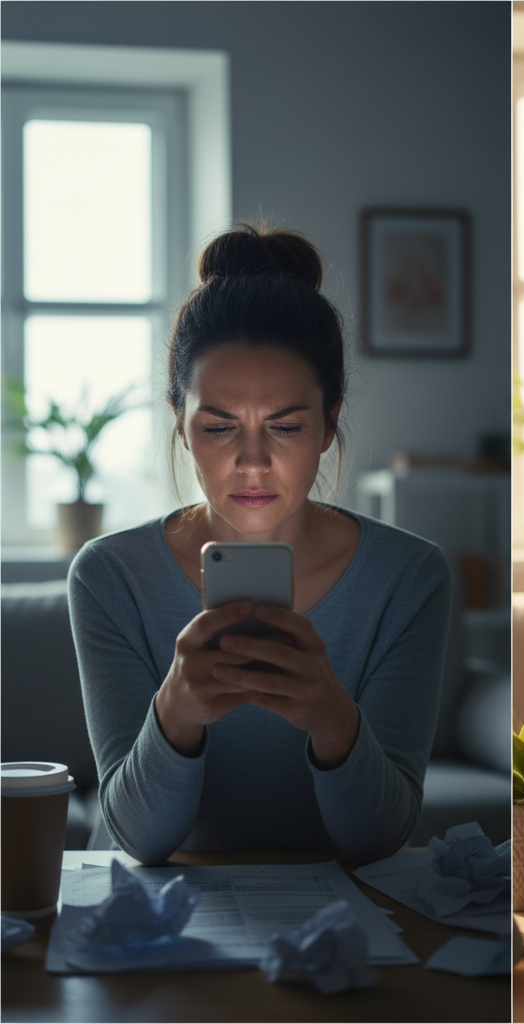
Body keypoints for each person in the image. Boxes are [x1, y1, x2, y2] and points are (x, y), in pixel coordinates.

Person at [68, 225, 452, 865]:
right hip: (156, 917)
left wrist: (332, 716)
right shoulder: (109, 575)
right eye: (219, 427)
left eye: (286, 426)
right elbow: (140, 838)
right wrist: (176, 710)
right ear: (181, 426)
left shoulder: (409, 577)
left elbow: (378, 838)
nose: (252, 462)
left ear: (330, 423)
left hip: (342, 919)